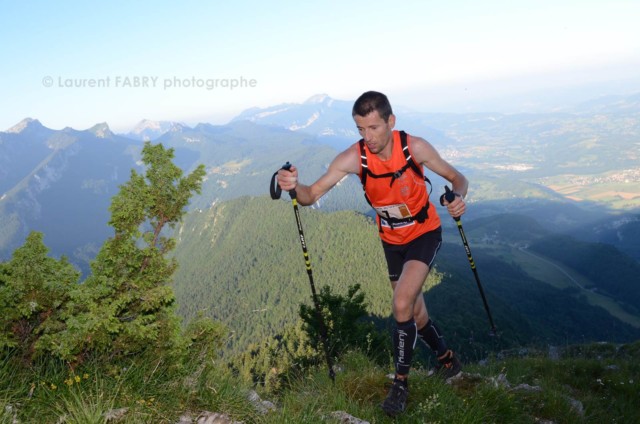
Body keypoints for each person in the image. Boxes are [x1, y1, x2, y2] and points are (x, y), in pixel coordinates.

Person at [277, 91, 468, 417]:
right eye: (361, 129)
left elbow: (457, 178)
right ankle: (447, 361)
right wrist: (293, 186)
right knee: (415, 310)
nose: (368, 137)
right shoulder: (354, 158)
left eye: (374, 128)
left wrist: (457, 197)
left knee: (401, 303)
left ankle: (401, 385)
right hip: (391, 239)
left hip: (424, 231)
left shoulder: (414, 148)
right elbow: (311, 195)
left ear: (390, 122)